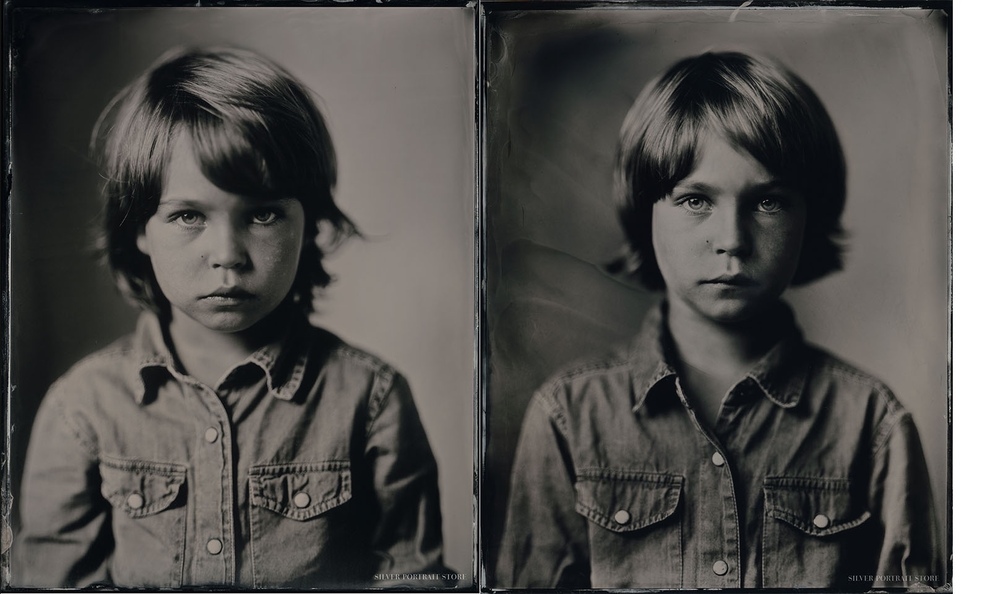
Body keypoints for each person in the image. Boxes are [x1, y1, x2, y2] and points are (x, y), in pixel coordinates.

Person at [496, 51, 942, 589]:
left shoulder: (873, 425)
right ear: (645, 212)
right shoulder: (567, 417)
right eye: (694, 200)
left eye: (769, 202)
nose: (732, 239)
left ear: (811, 217)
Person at [14, 47, 445, 589]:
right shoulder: (82, 410)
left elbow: (414, 577)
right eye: (188, 215)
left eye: (263, 214)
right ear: (140, 229)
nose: (228, 253)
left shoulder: (371, 399)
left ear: (307, 224)